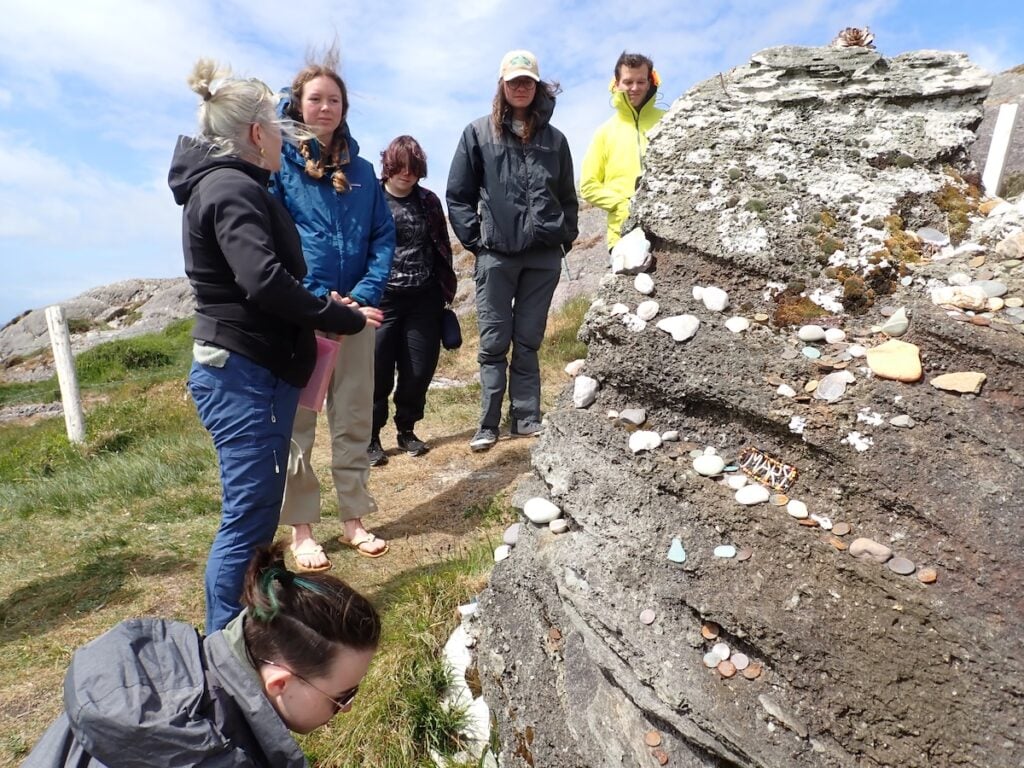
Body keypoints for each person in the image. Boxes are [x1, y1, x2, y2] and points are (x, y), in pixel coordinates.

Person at [167, 59, 382, 633]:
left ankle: (252, 625)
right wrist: (335, 313)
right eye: (277, 128)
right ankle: (226, 643)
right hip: (243, 373)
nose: (284, 138)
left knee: (257, 513)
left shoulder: (233, 185)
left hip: (253, 369)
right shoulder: (232, 188)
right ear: (258, 133)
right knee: (247, 518)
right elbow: (262, 279)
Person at [23, 542, 381, 767]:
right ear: (280, 683)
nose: (348, 707)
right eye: (342, 696)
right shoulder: (211, 755)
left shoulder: (163, 679)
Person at [272, 50, 396, 570]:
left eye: (334, 100)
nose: (326, 107)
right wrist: (318, 299)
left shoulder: (365, 171)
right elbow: (273, 240)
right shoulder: (279, 166)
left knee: (352, 417)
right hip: (305, 316)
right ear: (298, 105)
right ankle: (302, 529)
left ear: (344, 108)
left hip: (359, 316)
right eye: (316, 99)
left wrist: (362, 297)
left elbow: (383, 238)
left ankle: (353, 520)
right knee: (299, 425)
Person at [446, 49, 578, 452]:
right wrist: (477, 241)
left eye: (528, 81)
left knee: (529, 339)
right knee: (493, 341)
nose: (521, 87)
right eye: (514, 80)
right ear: (502, 85)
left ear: (537, 87)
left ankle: (525, 418)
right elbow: (458, 195)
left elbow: (568, 196)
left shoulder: (556, 140)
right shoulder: (478, 133)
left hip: (542, 257)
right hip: (497, 256)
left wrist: (564, 236)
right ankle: (487, 424)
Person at [369, 136, 457, 466]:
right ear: (388, 166)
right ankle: (370, 438)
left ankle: (406, 429)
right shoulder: (371, 198)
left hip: (424, 299)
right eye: (400, 166)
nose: (407, 174)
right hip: (381, 300)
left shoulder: (428, 201)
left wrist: (443, 291)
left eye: (414, 168)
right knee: (377, 372)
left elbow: (442, 247)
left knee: (418, 371)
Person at [580, 52, 666, 250]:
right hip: (622, 235)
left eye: (641, 81)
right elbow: (588, 186)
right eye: (628, 82)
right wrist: (621, 206)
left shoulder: (669, 121)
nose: (634, 88)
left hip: (668, 230)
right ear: (616, 83)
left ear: (651, 82)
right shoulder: (604, 133)